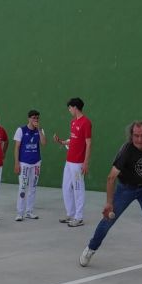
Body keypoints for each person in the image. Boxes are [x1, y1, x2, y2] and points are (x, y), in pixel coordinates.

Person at [80, 121, 142, 276]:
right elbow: (111, 178)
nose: (139, 140)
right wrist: (108, 203)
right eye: (136, 136)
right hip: (125, 189)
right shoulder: (126, 150)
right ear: (131, 136)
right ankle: (91, 248)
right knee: (108, 221)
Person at [53, 97, 91, 227]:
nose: (69, 110)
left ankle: (79, 218)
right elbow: (73, 139)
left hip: (78, 163)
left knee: (78, 189)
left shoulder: (86, 122)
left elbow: (88, 144)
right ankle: (71, 214)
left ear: (75, 107)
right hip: (69, 161)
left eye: (69, 108)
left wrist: (86, 162)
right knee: (66, 188)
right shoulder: (73, 122)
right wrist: (62, 142)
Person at [13, 109, 46, 221]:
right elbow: (17, 147)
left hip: (36, 163)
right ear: (29, 119)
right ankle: (19, 213)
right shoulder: (21, 130)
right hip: (24, 163)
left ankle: (29, 211)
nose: (35, 120)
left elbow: (44, 143)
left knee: (33, 188)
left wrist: (39, 130)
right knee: (23, 188)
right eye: (33, 118)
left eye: (37, 118)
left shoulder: (39, 130)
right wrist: (17, 163)